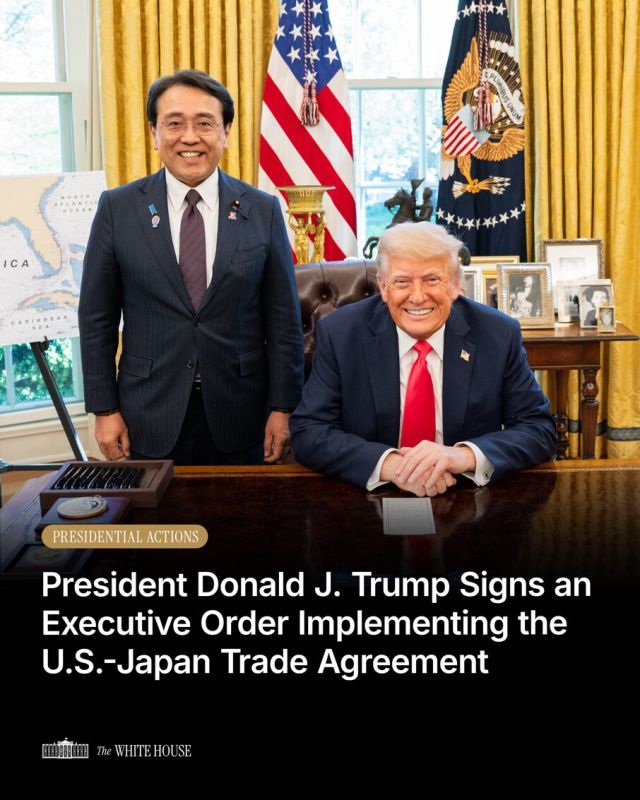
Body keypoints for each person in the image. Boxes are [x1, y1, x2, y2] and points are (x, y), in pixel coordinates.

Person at [79, 70, 304, 465]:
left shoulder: (263, 210)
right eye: (174, 123)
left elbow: (284, 321)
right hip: (148, 410)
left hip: (242, 410)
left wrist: (283, 408)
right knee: (159, 508)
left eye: (204, 123)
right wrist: (104, 409)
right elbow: (97, 318)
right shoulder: (117, 209)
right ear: (154, 133)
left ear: (225, 132)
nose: (189, 137)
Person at [289, 221, 556, 497]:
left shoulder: (497, 334)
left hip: (462, 493)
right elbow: (309, 430)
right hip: (372, 493)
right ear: (383, 287)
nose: (417, 297)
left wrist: (462, 456)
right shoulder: (341, 333)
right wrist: (391, 465)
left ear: (455, 285)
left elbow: (538, 429)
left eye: (432, 280)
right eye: (402, 282)